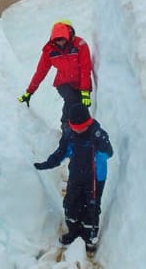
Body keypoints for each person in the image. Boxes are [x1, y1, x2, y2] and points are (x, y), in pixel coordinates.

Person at [33, 104, 113, 252]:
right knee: (71, 204)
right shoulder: (69, 135)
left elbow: (109, 152)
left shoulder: (98, 134)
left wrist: (101, 146)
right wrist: (47, 164)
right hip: (76, 175)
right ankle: (73, 231)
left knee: (91, 206)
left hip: (95, 178)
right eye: (74, 126)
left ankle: (89, 236)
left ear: (88, 122)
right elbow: (60, 153)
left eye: (80, 127)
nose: (77, 130)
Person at [17, 20, 94, 129]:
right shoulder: (50, 50)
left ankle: (83, 129)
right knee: (72, 100)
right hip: (63, 82)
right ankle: (66, 126)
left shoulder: (80, 45)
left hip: (82, 81)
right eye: (57, 40)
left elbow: (86, 69)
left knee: (81, 106)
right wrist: (29, 92)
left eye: (62, 39)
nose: (60, 42)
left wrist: (85, 91)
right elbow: (40, 72)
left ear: (68, 35)